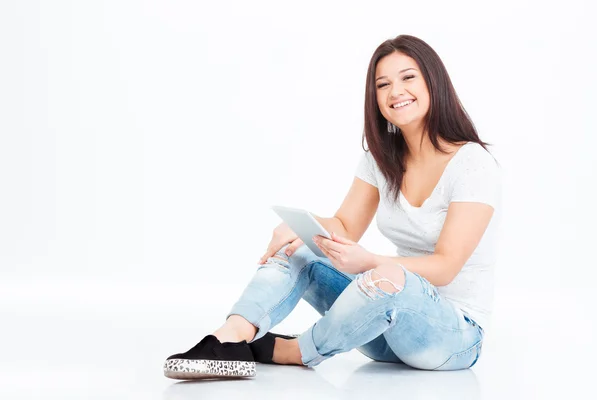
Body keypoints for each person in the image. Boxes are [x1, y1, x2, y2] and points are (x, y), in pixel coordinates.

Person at [163, 34, 501, 380]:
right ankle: (228, 340)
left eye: (408, 77)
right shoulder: (379, 159)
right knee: (301, 248)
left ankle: (295, 351)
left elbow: (445, 267)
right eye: (383, 84)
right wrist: (303, 228)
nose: (395, 92)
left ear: (434, 81)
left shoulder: (472, 164)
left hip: (453, 338)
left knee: (386, 277)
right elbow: (344, 225)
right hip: (381, 329)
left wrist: (369, 262)